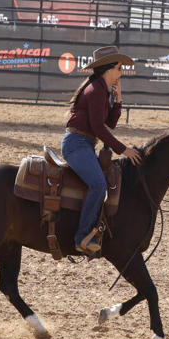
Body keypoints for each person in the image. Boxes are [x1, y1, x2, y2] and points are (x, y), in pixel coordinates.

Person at [62, 45, 142, 256]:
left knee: (98, 183)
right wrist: (123, 150)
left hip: (82, 144)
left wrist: (118, 99)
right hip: (77, 144)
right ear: (109, 68)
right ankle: (81, 237)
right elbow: (99, 128)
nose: (121, 72)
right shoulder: (96, 90)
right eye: (118, 68)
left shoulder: (100, 89)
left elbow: (110, 123)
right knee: (98, 185)